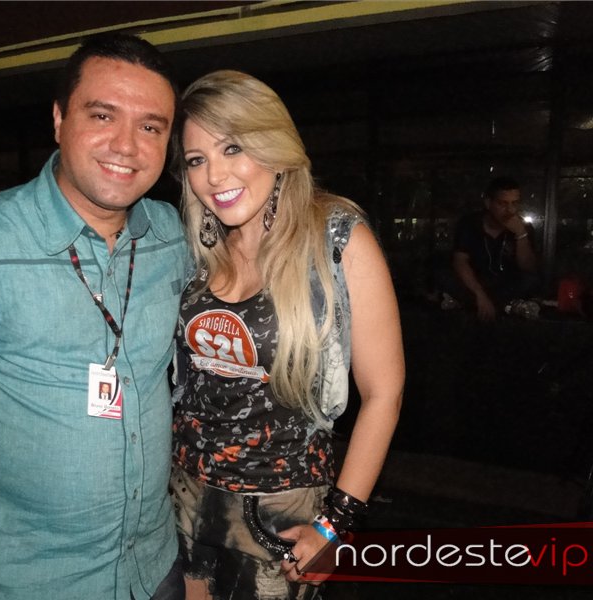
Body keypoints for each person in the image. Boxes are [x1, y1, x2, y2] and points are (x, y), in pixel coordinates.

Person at [0, 33, 188, 600]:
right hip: (29, 582)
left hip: (155, 568)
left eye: (150, 127)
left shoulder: (173, 236)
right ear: (59, 119)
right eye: (102, 115)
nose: (126, 145)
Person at [169, 71, 404, 599]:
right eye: (197, 159)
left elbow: (384, 393)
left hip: (279, 511)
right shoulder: (195, 252)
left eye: (233, 148)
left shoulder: (336, 238)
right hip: (184, 497)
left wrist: (336, 523)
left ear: (275, 147)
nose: (214, 175)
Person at [451, 176, 540, 320]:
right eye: (503, 203)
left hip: (507, 285)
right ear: (488, 203)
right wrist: (480, 294)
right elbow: (460, 261)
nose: (510, 210)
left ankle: (499, 305)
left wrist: (521, 235)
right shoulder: (470, 224)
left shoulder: (523, 227)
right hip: (476, 282)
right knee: (448, 277)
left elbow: (528, 267)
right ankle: (504, 306)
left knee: (531, 282)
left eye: (514, 203)